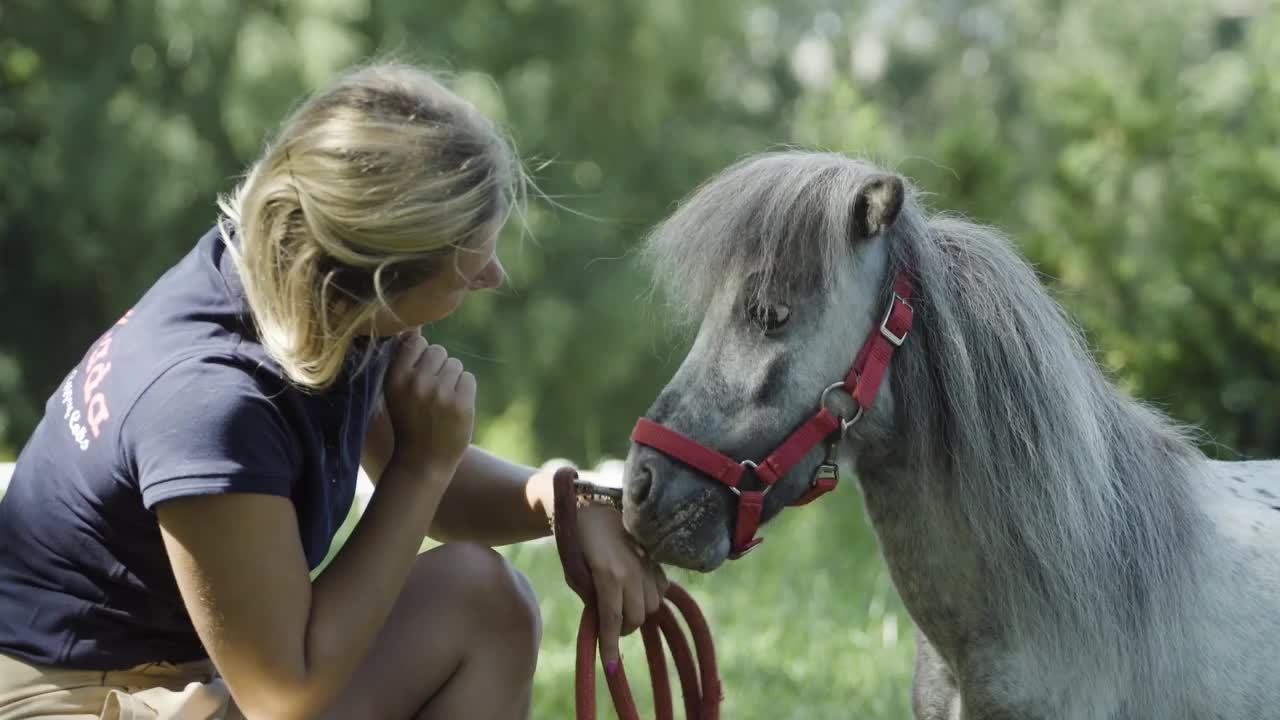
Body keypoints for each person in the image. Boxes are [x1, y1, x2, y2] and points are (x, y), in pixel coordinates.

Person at [0, 60, 664, 720]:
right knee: (470, 608)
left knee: (483, 603)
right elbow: (283, 694)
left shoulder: (300, 282)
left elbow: (447, 500)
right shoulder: (210, 405)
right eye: (467, 265)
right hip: (65, 697)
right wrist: (418, 465)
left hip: (181, 677)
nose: (492, 275)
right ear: (376, 278)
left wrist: (569, 502)